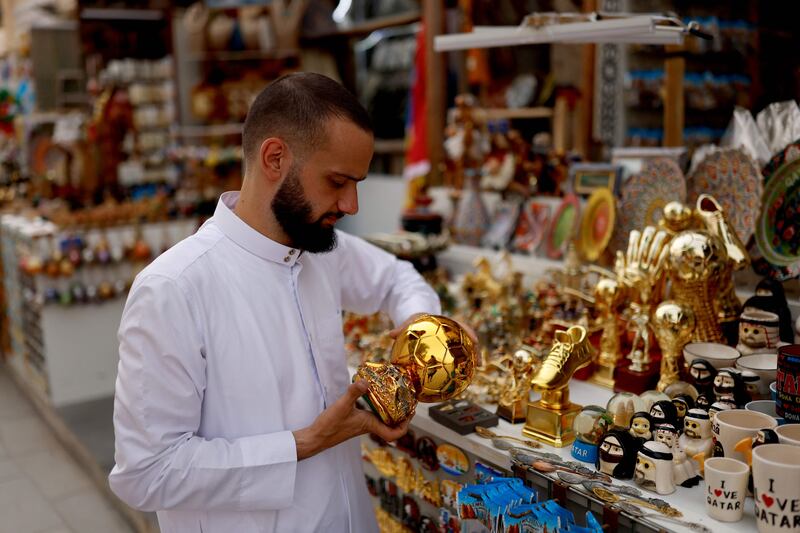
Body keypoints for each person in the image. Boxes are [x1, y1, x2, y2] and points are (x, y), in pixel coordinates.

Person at [109, 73, 446, 532]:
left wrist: (423, 333)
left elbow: (396, 278)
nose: (352, 204)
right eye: (338, 181)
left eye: (358, 183)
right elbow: (146, 473)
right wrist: (305, 443)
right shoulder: (174, 289)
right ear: (274, 158)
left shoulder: (317, 248)